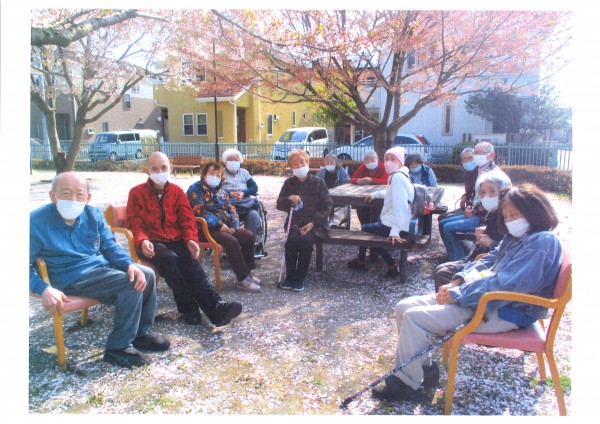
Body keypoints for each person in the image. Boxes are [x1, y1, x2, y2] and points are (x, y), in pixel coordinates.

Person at [371, 183, 562, 402]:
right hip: (484, 299)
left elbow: (508, 284)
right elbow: (488, 261)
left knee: (415, 319)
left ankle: (407, 386)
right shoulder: (516, 237)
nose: (510, 221)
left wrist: (460, 294)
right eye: (506, 216)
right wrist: (457, 282)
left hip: (505, 309)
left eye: (514, 215)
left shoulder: (542, 242)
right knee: (403, 307)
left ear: (534, 212)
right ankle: (423, 370)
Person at [30, 172, 170, 369]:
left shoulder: (93, 215)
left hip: (99, 267)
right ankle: (118, 348)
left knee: (145, 274)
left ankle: (140, 333)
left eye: (79, 194)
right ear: (53, 195)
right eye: (66, 193)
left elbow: (110, 246)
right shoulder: (35, 222)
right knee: (130, 284)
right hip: (70, 276)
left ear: (88, 197)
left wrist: (129, 264)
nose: (73, 199)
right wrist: (43, 288)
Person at [127, 152, 243, 326]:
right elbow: (134, 222)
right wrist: (142, 240)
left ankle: (217, 309)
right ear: (147, 171)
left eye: (164, 167)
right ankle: (189, 310)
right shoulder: (136, 193)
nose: (160, 172)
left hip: (175, 239)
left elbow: (187, 219)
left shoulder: (177, 192)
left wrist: (190, 239)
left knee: (191, 263)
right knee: (170, 260)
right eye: (155, 169)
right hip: (151, 242)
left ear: (171, 168)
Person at [187, 160, 261, 293]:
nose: (215, 177)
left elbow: (231, 209)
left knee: (248, 235)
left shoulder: (221, 191)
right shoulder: (195, 189)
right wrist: (219, 225)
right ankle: (243, 279)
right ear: (204, 175)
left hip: (225, 228)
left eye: (218, 174)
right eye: (212, 173)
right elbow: (199, 211)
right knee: (231, 241)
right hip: (203, 229)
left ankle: (248, 271)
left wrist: (234, 226)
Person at [433, 170, 512, 291]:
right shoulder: (492, 213)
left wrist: (490, 243)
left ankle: (454, 299)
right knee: (439, 270)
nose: (487, 196)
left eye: (492, 191)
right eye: (482, 192)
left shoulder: (508, 217)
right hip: (478, 258)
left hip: (490, 266)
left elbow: (510, 250)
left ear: (503, 191)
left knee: (442, 273)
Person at [348, 146, 413, 277]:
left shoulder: (397, 178)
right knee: (367, 229)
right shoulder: (400, 175)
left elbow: (400, 206)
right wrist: (375, 194)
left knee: (364, 229)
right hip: (400, 223)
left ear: (400, 162)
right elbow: (391, 194)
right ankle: (365, 261)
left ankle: (389, 264)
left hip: (396, 226)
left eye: (393, 159)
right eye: (387, 159)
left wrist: (395, 231)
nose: (389, 162)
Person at [276, 149, 332, 292]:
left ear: (307, 163)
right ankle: (290, 276)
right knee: (290, 241)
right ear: (291, 167)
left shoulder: (318, 183)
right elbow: (279, 204)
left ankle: (300, 277)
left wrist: (313, 223)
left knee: (306, 242)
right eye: (295, 164)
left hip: (315, 224)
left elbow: (326, 206)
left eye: (302, 162)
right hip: (295, 222)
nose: (299, 166)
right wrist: (289, 199)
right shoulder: (289, 183)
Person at [439, 142, 505, 261]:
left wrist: (473, 212)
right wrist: (469, 204)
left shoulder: (493, 175)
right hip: (477, 213)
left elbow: (491, 203)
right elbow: (476, 195)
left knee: (448, 228)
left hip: (485, 218)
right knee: (443, 222)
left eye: (481, 153)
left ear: (491, 155)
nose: (476, 156)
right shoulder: (480, 170)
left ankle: (457, 260)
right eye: (476, 152)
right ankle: (457, 255)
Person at [220, 148, 264, 253]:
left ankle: (249, 246)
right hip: (228, 205)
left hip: (245, 204)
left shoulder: (244, 172)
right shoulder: (221, 173)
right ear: (225, 162)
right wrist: (229, 194)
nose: (234, 162)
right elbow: (215, 189)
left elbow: (254, 187)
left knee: (254, 215)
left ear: (240, 161)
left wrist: (244, 193)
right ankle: (232, 245)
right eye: (230, 160)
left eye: (236, 160)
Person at [350, 150, 388, 261]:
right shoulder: (362, 167)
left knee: (375, 222)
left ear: (377, 159)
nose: (369, 162)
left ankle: (373, 252)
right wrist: (358, 181)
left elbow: (386, 181)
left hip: (379, 198)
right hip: (364, 198)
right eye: (367, 161)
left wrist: (372, 180)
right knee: (364, 223)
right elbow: (352, 179)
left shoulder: (383, 167)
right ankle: (363, 254)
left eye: (372, 160)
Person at [315, 153, 350, 227]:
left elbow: (347, 181)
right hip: (324, 196)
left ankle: (330, 221)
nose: (329, 163)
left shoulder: (341, 171)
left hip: (339, 196)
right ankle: (323, 221)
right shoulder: (322, 171)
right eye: (327, 162)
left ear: (336, 162)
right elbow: (316, 181)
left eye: (331, 161)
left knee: (330, 200)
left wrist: (338, 189)